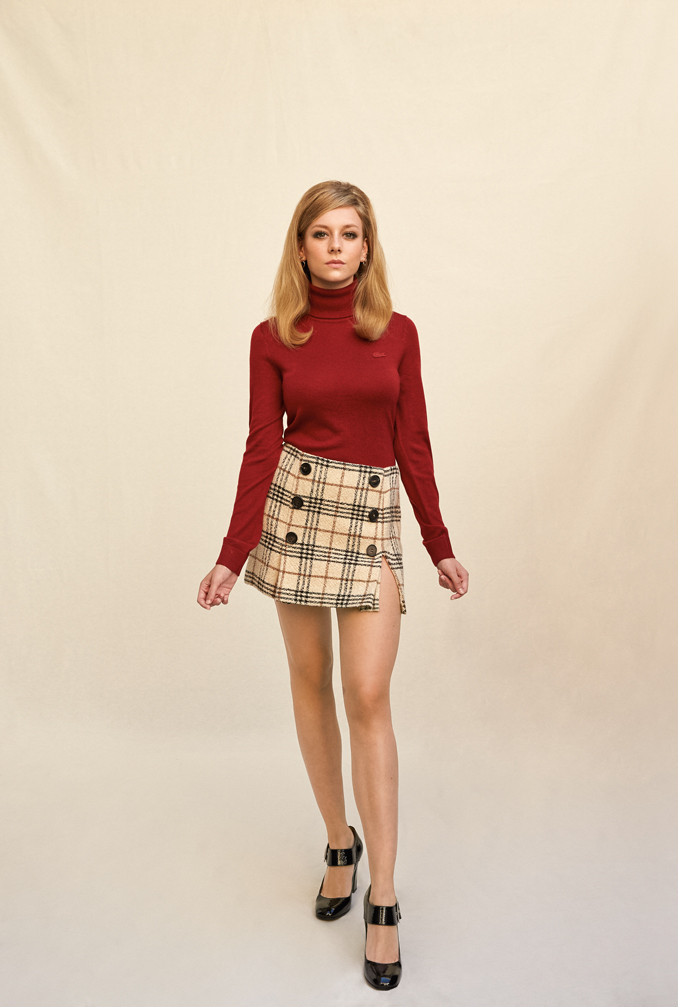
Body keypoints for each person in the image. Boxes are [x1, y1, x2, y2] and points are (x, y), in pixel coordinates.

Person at [197, 180, 469, 991]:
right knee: (310, 679)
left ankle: (383, 894)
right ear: (301, 246)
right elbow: (260, 444)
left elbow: (413, 440)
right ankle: (338, 841)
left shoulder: (397, 332)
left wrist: (437, 543)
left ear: (367, 245)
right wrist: (231, 552)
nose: (336, 247)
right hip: (298, 508)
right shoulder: (272, 337)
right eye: (321, 234)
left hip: (371, 511)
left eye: (349, 233)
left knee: (368, 693)